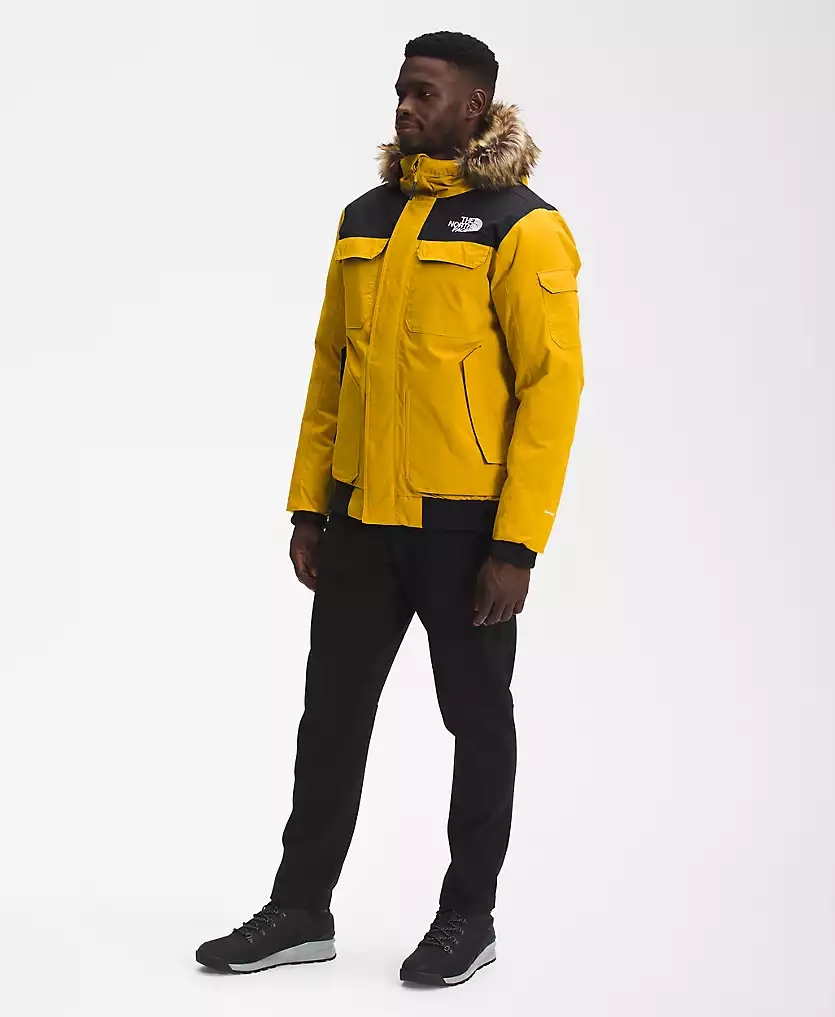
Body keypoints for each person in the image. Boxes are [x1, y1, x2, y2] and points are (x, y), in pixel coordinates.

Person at [196, 30, 584, 987]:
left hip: (465, 529)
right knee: (328, 718)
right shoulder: (364, 217)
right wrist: (309, 507)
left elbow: (550, 391)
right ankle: (300, 908)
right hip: (361, 522)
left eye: (424, 92)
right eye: (400, 91)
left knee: (476, 723)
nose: (405, 107)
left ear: (476, 105)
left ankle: (467, 916)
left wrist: (516, 544)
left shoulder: (522, 226)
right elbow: (331, 366)